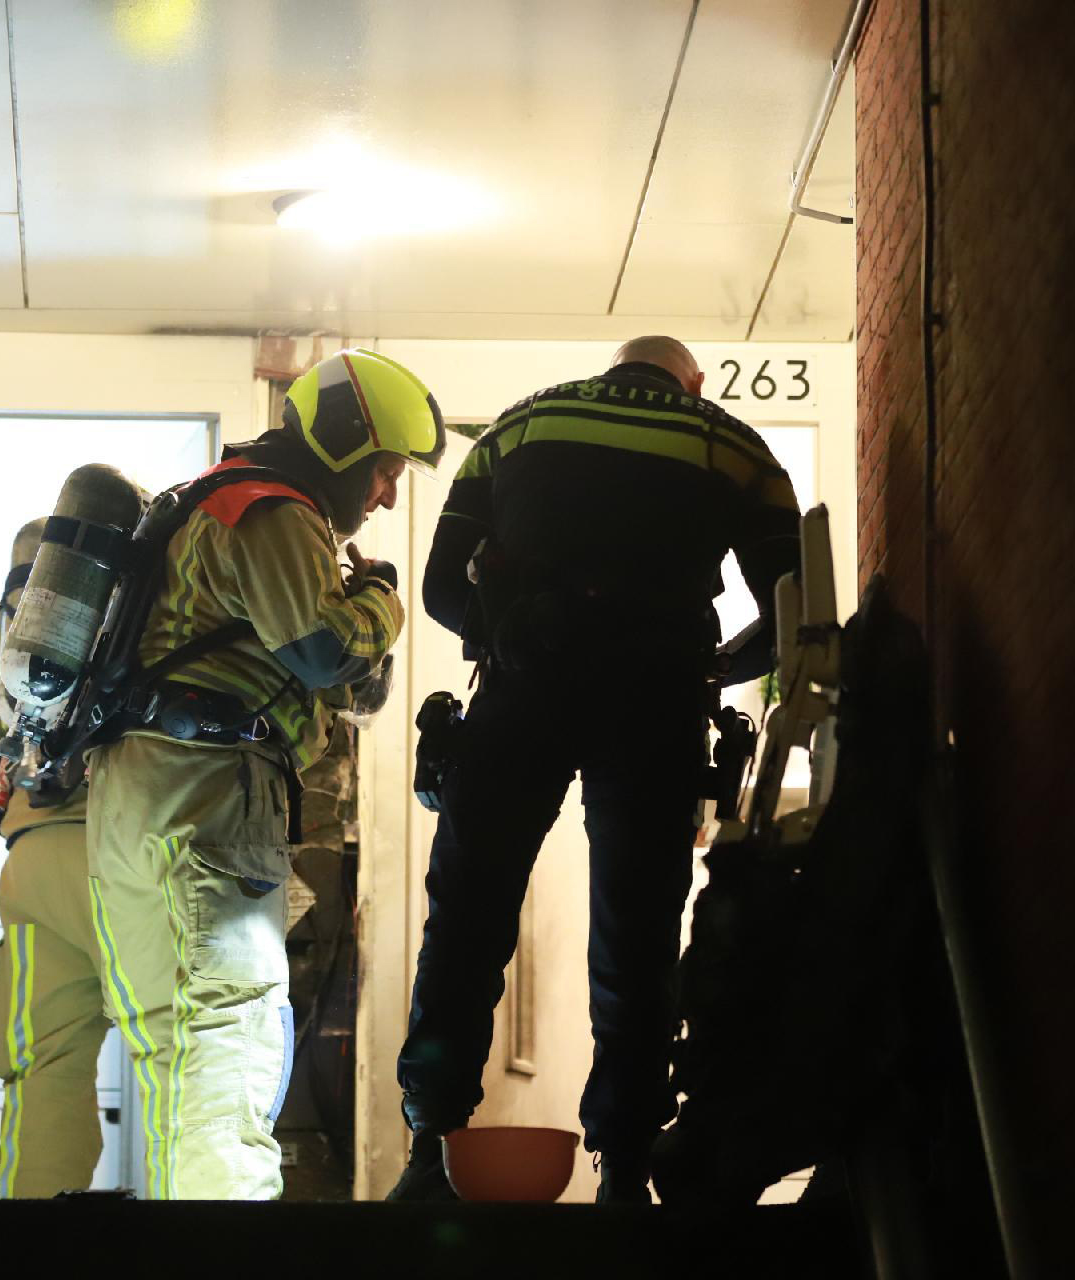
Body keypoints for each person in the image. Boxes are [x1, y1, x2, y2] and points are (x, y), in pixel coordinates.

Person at [386, 335, 802, 1203]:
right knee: (637, 935)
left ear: (614, 369)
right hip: (653, 704)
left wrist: (508, 635)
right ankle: (623, 1167)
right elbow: (790, 609)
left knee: (466, 921)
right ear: (689, 381)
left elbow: (438, 589)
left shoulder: (518, 426)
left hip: (521, 691)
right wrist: (714, 666)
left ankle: (431, 1151)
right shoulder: (733, 444)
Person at [86, 348, 443, 1199]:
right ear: (347, 447)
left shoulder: (205, 502)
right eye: (386, 470)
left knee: (174, 1052)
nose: (387, 493)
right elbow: (327, 653)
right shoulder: (271, 511)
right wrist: (385, 600)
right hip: (212, 793)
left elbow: (349, 690)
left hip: (133, 799)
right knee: (231, 1040)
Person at [0, 515, 114, 1198]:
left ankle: (36, 1248)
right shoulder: (135, 612)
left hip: (29, 869)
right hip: (127, 856)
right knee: (190, 1046)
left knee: (44, 1066)